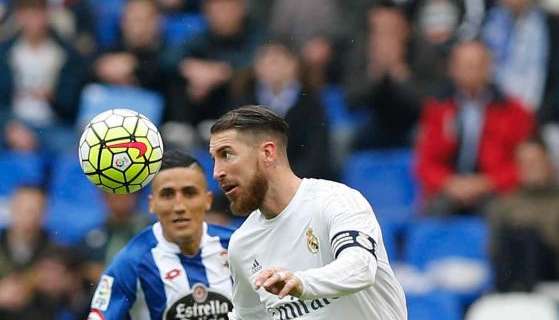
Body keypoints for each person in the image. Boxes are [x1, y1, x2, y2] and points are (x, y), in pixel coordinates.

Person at [209, 106, 406, 320]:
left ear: (267, 152)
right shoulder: (242, 245)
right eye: (214, 159)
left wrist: (302, 283)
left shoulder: (336, 200)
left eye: (226, 154)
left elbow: (360, 267)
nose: (217, 172)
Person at [87, 150, 233, 320]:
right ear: (152, 204)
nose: (179, 206)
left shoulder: (236, 246)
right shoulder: (132, 261)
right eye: (167, 194)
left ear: (208, 200)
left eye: (189, 193)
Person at [415, 40, 534, 216]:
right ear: (452, 69)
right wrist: (449, 183)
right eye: (464, 65)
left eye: (476, 65)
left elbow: (521, 165)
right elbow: (425, 162)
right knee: (431, 213)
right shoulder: (437, 109)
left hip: (494, 190)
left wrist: (485, 183)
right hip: (448, 189)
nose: (470, 71)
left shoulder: (513, 111)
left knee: (506, 216)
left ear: (489, 68)